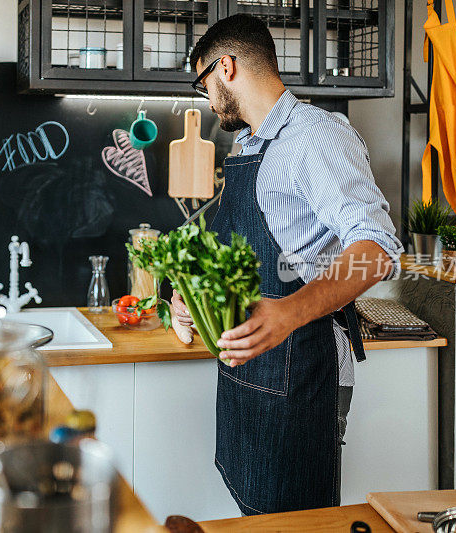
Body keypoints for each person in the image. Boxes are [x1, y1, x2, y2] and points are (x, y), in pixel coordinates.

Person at [172, 14, 403, 515]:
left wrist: (289, 312)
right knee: (258, 518)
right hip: (250, 374)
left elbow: (378, 248)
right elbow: (232, 255)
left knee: (298, 520)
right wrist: (189, 296)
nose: (207, 99)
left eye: (203, 82)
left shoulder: (316, 136)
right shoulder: (250, 144)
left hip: (302, 370)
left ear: (226, 67)